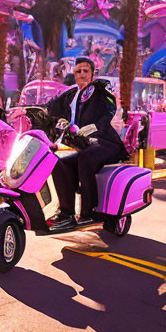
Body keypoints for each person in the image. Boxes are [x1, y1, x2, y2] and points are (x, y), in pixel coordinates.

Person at [46, 57, 124, 230]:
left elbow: (109, 111)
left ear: (93, 74)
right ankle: (66, 212)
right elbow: (50, 107)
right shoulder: (71, 94)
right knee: (58, 163)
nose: (81, 74)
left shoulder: (100, 90)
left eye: (85, 71)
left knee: (85, 158)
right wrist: (25, 110)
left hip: (105, 142)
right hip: (84, 145)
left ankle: (90, 212)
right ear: (73, 74)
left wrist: (93, 128)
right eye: (78, 71)